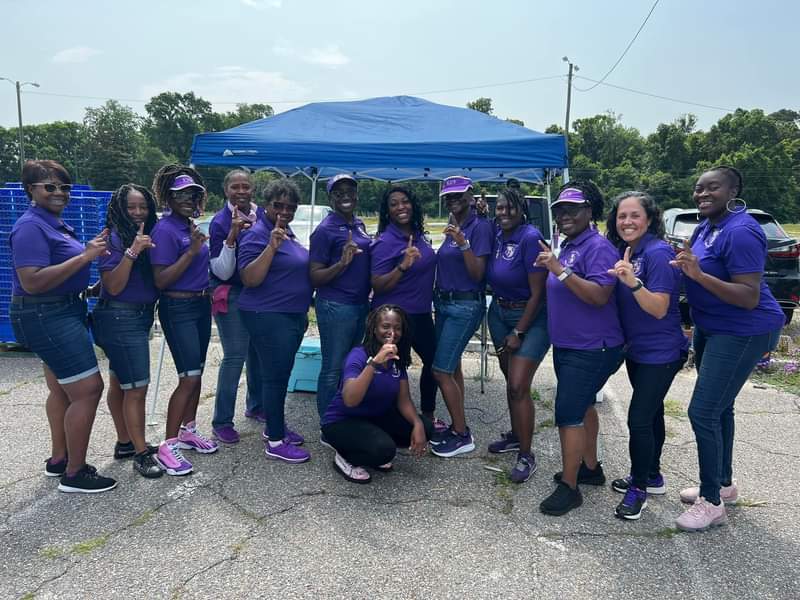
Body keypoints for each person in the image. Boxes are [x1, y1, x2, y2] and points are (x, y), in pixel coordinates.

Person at [672, 166, 784, 532]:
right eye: (698, 188)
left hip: (743, 330)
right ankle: (723, 483)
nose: (702, 194)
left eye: (712, 188)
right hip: (713, 326)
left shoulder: (741, 231)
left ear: (733, 190)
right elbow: (695, 266)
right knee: (720, 408)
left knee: (703, 411)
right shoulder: (709, 224)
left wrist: (700, 276)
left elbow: (749, 297)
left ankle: (711, 502)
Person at [9, 160, 116, 493]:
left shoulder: (52, 223)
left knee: (60, 389)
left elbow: (58, 271)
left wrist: (88, 278)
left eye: (64, 187)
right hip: (47, 314)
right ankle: (75, 472)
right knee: (88, 389)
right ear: (31, 190)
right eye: (49, 186)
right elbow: (32, 281)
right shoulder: (30, 226)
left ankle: (59, 459)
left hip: (59, 309)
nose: (59, 193)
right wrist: (85, 258)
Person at [534, 182, 624, 516]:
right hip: (570, 345)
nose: (564, 215)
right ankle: (590, 467)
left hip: (591, 348)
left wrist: (559, 269)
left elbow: (599, 295)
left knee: (568, 414)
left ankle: (570, 487)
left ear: (590, 211)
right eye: (559, 209)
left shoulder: (597, 247)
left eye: (573, 208)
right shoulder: (570, 244)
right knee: (584, 406)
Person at [605, 191, 688, 519]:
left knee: (638, 418)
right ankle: (652, 475)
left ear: (650, 219)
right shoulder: (631, 251)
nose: (626, 221)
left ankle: (638, 487)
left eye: (634, 215)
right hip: (637, 350)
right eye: (621, 216)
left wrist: (634, 283)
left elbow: (659, 308)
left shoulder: (658, 253)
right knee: (651, 414)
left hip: (662, 351)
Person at [91, 183, 164, 479]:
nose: (137, 212)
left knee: (120, 383)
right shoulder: (115, 239)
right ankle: (141, 453)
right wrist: (133, 250)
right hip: (121, 318)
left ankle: (125, 441)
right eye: (130, 207)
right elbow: (115, 286)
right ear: (119, 209)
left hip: (137, 317)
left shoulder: (144, 235)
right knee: (136, 389)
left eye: (142, 207)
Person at [150, 165, 218, 476]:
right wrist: (191, 252)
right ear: (169, 198)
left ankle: (189, 430)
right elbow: (161, 280)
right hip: (178, 308)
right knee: (188, 377)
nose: (189, 199)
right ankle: (168, 444)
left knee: (198, 372)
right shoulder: (164, 230)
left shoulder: (189, 225)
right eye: (182, 195)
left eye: (194, 194)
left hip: (201, 304)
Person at [239, 178, 310, 464]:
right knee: (276, 378)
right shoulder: (258, 234)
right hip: (267, 315)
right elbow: (249, 278)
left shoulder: (286, 231)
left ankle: (275, 428)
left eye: (290, 207)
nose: (284, 211)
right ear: (266, 205)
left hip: (289, 315)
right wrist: (270, 247)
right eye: (277, 205)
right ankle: (276, 441)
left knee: (279, 374)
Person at [321, 305, 430, 483]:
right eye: (385, 326)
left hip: (373, 418)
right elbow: (350, 399)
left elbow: (404, 400)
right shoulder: (358, 356)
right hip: (342, 421)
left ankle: (370, 448)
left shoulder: (396, 358)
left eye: (397, 328)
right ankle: (346, 457)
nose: (392, 332)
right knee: (384, 451)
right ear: (374, 328)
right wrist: (375, 363)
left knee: (426, 428)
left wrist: (417, 424)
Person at [486, 188, 550, 483]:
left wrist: (519, 330)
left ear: (522, 209)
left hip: (530, 317)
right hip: (498, 312)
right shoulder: (498, 235)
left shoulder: (529, 237)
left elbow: (538, 294)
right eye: (500, 208)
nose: (504, 213)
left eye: (511, 208)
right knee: (510, 380)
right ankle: (515, 435)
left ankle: (526, 455)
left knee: (518, 385)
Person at [429, 176, 493, 458]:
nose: (453, 200)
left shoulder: (479, 227)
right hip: (444, 303)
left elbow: (479, 274)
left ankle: (462, 433)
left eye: (459, 195)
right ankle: (458, 423)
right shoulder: (455, 225)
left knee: (440, 370)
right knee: (452, 368)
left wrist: (464, 243)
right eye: (449, 197)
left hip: (465, 305)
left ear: (470, 196)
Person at [370, 185, 438, 421]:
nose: (401, 207)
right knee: (393, 367)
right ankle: (388, 416)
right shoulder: (386, 241)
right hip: (395, 318)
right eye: (394, 204)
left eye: (405, 201)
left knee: (434, 364)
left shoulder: (418, 235)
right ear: (387, 212)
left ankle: (427, 416)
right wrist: (402, 266)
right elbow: (377, 285)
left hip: (420, 314)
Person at [207, 169, 264, 444]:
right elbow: (222, 269)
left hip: (258, 293)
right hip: (230, 292)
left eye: (246, 186)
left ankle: (256, 405)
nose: (241, 191)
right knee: (234, 356)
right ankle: (221, 421)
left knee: (257, 351)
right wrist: (232, 234)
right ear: (225, 191)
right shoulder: (219, 222)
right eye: (235, 187)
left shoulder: (261, 214)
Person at [310, 174, 371, 420]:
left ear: (356, 195)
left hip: (359, 306)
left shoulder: (358, 224)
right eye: (338, 191)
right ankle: (328, 422)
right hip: (336, 307)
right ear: (330, 198)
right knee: (333, 368)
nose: (345, 195)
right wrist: (341, 264)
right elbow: (314, 277)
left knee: (352, 365)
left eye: (350, 190)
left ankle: (345, 413)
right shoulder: (324, 230)